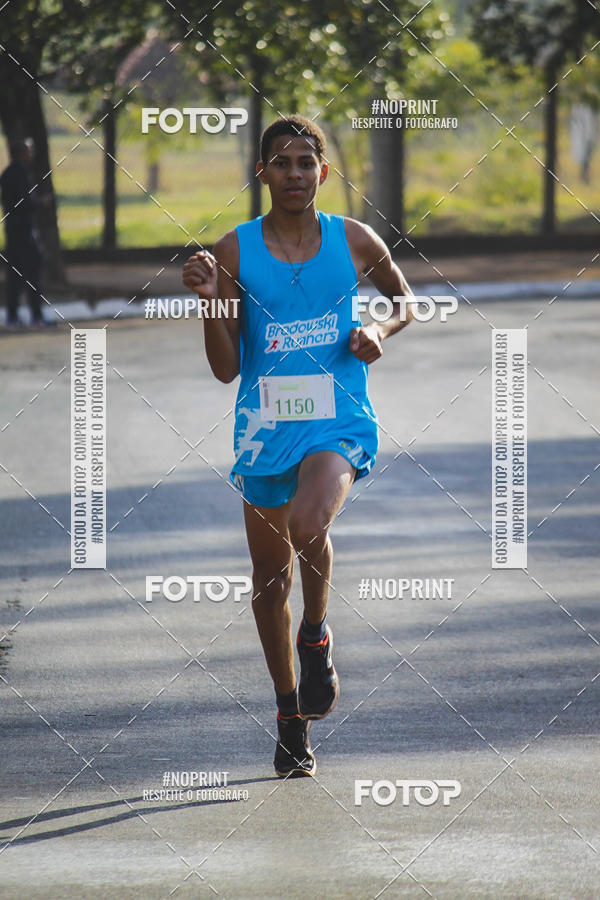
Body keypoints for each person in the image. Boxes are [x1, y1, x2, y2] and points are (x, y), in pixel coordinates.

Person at [182, 114, 414, 778]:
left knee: (311, 520)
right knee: (267, 581)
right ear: (262, 174)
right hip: (264, 427)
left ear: (323, 172)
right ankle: (289, 718)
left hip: (336, 419)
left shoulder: (355, 239)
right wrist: (210, 304)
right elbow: (227, 369)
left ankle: (316, 635)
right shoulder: (233, 252)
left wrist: (380, 328)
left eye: (304, 162)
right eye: (280, 163)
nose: (293, 174)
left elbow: (404, 299)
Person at [0, 138, 45, 328]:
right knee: (33, 270)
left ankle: (12, 315)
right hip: (23, 230)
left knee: (14, 274)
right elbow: (23, 202)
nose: (31, 154)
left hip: (12, 229)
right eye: (29, 151)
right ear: (21, 153)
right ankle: (36, 316)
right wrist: (40, 202)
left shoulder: (8, 173)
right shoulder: (20, 174)